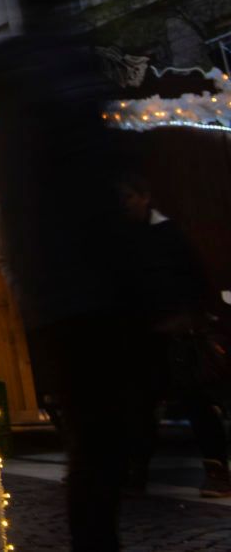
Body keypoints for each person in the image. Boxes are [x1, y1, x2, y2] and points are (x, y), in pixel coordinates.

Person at [0, 0, 141, 552]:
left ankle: (95, 532)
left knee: (89, 428)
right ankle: (99, 535)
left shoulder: (9, 75)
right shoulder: (70, 65)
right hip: (93, 272)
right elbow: (96, 163)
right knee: (106, 426)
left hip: (43, 277)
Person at [121, 174, 229, 497]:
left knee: (196, 402)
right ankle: (136, 472)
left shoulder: (167, 234)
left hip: (177, 332)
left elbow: (195, 276)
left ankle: (217, 471)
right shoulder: (128, 237)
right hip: (145, 333)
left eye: (128, 197)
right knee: (141, 406)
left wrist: (190, 315)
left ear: (144, 197)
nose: (123, 205)